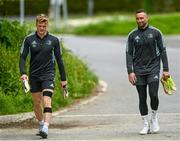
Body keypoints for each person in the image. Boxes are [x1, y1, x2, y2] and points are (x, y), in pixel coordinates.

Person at [19, 14, 67, 139]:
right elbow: (22, 57)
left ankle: (45, 127)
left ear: (47, 26)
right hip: (34, 75)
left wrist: (63, 79)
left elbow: (60, 60)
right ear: (36, 25)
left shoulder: (54, 40)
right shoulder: (29, 40)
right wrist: (23, 73)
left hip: (48, 74)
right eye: (39, 25)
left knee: (47, 100)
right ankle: (41, 123)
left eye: (44, 26)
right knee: (36, 103)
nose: (41, 28)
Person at [126, 9, 170, 135]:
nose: (139, 20)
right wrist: (130, 71)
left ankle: (154, 117)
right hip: (138, 70)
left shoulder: (156, 33)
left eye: (142, 18)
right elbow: (128, 54)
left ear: (147, 18)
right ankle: (145, 124)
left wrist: (166, 70)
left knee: (153, 94)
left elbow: (163, 51)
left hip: (153, 68)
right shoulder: (132, 35)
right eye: (137, 18)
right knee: (142, 97)